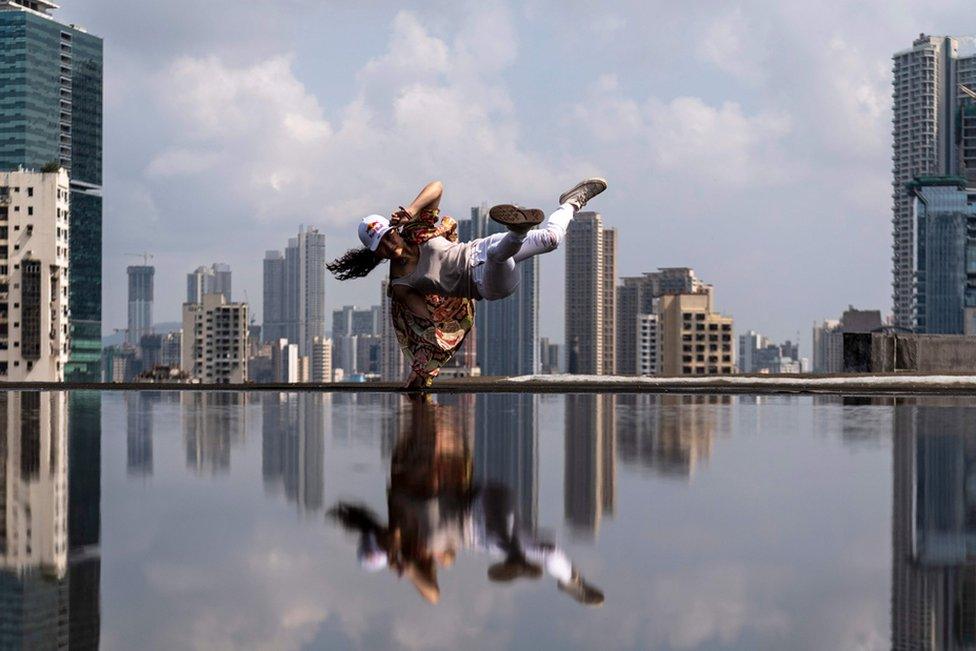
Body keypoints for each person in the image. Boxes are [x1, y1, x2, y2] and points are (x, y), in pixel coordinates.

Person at [327, 178, 608, 387]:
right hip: (486, 283)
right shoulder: (401, 284)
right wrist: (424, 365)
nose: (390, 246)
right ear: (376, 253)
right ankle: (518, 231)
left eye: (390, 236)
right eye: (382, 246)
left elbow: (437, 186)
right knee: (500, 257)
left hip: (480, 247)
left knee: (550, 239)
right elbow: (429, 324)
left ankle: (571, 202)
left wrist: (412, 209)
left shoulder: (418, 231)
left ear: (396, 231)